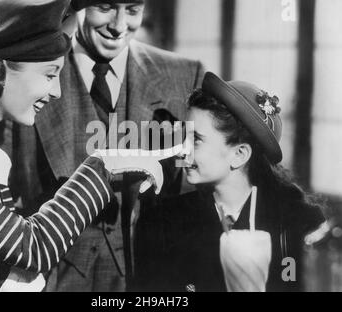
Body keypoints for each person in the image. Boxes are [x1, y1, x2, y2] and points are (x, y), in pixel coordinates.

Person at [0, 0, 172, 292]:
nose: (57, 92)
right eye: (50, 75)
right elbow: (32, 248)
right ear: (1, 69)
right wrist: (103, 165)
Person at [9, 0, 204, 291]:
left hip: (149, 282)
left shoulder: (184, 76)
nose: (119, 25)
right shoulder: (28, 75)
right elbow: (6, 198)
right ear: (78, 6)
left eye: (133, 10)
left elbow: (196, 197)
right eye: (105, 7)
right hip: (48, 279)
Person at [135, 72, 326, 292]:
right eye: (183, 137)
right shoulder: (163, 222)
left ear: (239, 154)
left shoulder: (298, 221)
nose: (181, 149)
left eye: (196, 140)